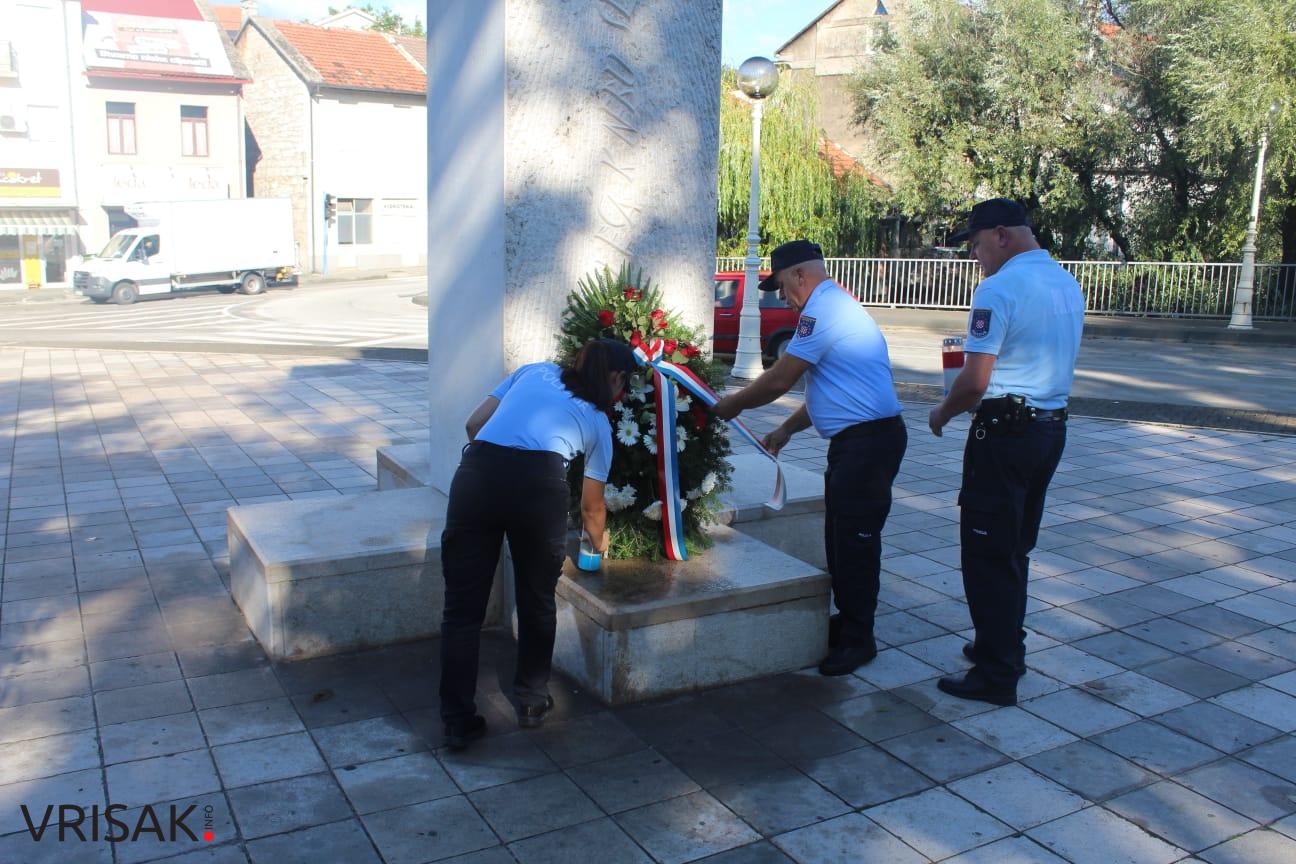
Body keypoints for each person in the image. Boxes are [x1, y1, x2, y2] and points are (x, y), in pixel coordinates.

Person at [715, 240, 907, 676]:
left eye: (781, 285)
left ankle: (860, 640)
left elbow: (780, 379)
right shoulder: (831, 306)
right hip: (860, 443)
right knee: (841, 540)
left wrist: (733, 405)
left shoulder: (823, 311)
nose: (781, 295)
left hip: (868, 446)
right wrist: (786, 429)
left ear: (800, 275)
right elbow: (833, 393)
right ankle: (852, 623)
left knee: (855, 543)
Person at [439, 338, 637, 750]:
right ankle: (531, 699)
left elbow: (474, 425)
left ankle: (457, 720)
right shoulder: (598, 421)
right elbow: (591, 508)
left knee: (462, 610)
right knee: (536, 599)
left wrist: (492, 469)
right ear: (616, 378)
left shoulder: (534, 371)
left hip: (476, 477)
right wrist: (597, 548)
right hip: (539, 487)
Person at [928, 198, 1085, 706]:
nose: (975, 256)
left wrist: (942, 412)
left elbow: (974, 383)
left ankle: (997, 674)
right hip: (1048, 430)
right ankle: (1003, 644)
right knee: (1014, 545)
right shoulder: (1066, 282)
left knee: (987, 553)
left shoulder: (998, 288)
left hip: (1003, 434)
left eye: (974, 244)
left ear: (1001, 235)